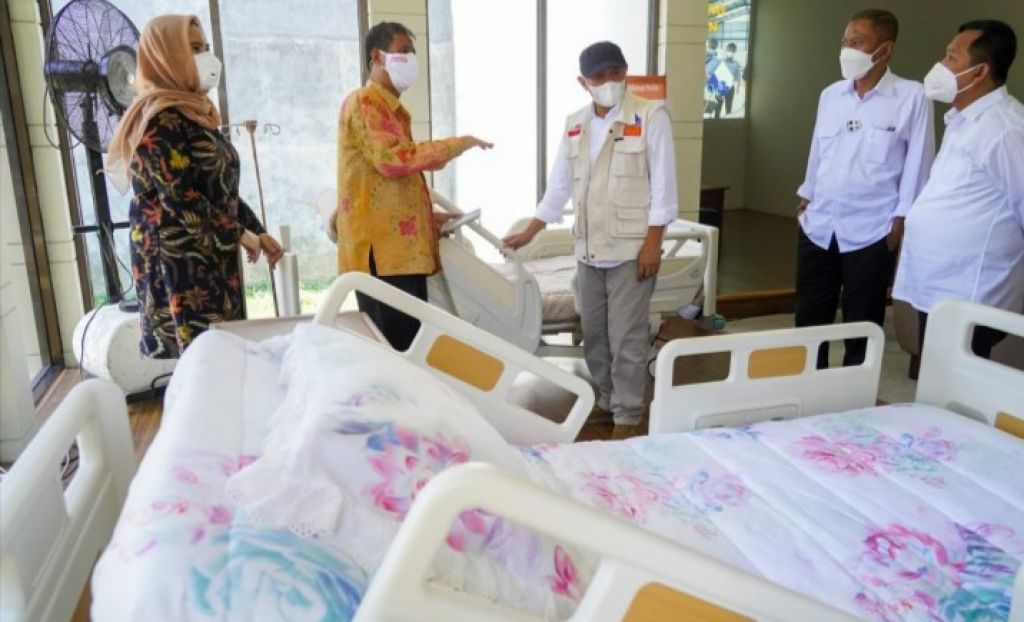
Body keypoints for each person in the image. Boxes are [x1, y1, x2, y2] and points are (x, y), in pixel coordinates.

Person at [503, 41, 677, 435]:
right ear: (583, 82)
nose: (609, 81)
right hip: (588, 251)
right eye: (599, 76)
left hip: (631, 250)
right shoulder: (575, 124)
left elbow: (664, 189)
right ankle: (606, 398)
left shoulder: (651, 117)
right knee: (595, 336)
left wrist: (653, 243)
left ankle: (628, 415)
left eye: (616, 72)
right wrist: (531, 230)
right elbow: (558, 187)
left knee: (627, 338)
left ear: (625, 72)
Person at [107, 15, 283, 359]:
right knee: (201, 361)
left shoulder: (195, 113)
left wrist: (257, 231)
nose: (205, 58)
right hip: (180, 265)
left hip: (210, 257)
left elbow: (220, 191)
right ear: (167, 57)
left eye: (205, 48)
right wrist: (240, 234)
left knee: (222, 354)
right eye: (193, 49)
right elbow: (180, 198)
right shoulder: (157, 119)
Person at [336, 21, 492, 351]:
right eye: (403, 51)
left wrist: (425, 218)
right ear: (377, 57)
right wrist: (457, 144)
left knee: (410, 346)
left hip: (398, 252)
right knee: (397, 350)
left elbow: (388, 187)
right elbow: (393, 161)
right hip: (382, 258)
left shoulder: (390, 110)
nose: (410, 60)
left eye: (412, 53)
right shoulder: (365, 103)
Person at [795, 8, 934, 368]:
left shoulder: (912, 96)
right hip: (820, 224)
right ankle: (808, 385)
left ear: (885, 49)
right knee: (809, 317)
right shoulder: (831, 95)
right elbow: (818, 151)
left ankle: (854, 391)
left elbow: (919, 163)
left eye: (857, 43)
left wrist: (902, 219)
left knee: (862, 320)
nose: (847, 50)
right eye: (845, 42)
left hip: (873, 228)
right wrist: (807, 195)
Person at [894, 19, 1023, 358]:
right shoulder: (962, 120)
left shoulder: (1006, 130)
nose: (941, 64)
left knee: (960, 381)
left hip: (973, 292)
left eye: (951, 57)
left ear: (979, 72)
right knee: (938, 377)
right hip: (940, 283)